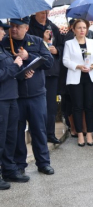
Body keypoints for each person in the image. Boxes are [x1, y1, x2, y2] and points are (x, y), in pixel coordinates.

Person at [2, 17, 55, 176]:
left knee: (38, 129)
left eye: (18, 27)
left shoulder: (37, 41)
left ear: (26, 28)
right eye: (12, 26)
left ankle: (43, 163)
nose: (13, 29)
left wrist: (28, 57)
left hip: (36, 94)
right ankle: (19, 164)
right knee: (17, 132)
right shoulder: (4, 42)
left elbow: (49, 62)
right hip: (15, 96)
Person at [62, 19, 93, 147]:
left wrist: (92, 66)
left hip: (90, 76)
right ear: (73, 29)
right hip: (75, 77)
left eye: (84, 27)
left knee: (89, 106)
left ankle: (89, 133)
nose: (82, 30)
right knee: (77, 106)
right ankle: (80, 133)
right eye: (79, 28)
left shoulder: (92, 42)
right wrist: (78, 66)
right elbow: (65, 60)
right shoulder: (69, 43)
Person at [28, 11, 65, 145]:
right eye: (42, 12)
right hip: (37, 71)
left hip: (52, 70)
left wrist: (57, 50)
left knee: (51, 105)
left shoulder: (53, 27)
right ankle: (37, 134)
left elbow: (61, 45)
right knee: (37, 106)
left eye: (47, 11)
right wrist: (43, 42)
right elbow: (28, 48)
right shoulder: (29, 27)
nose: (45, 14)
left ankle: (50, 133)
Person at [0, 37, 26, 189]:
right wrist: (14, 66)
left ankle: (9, 170)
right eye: (1, 29)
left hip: (11, 97)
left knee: (11, 137)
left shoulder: (3, 48)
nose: (3, 32)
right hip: (1, 100)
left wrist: (21, 69)